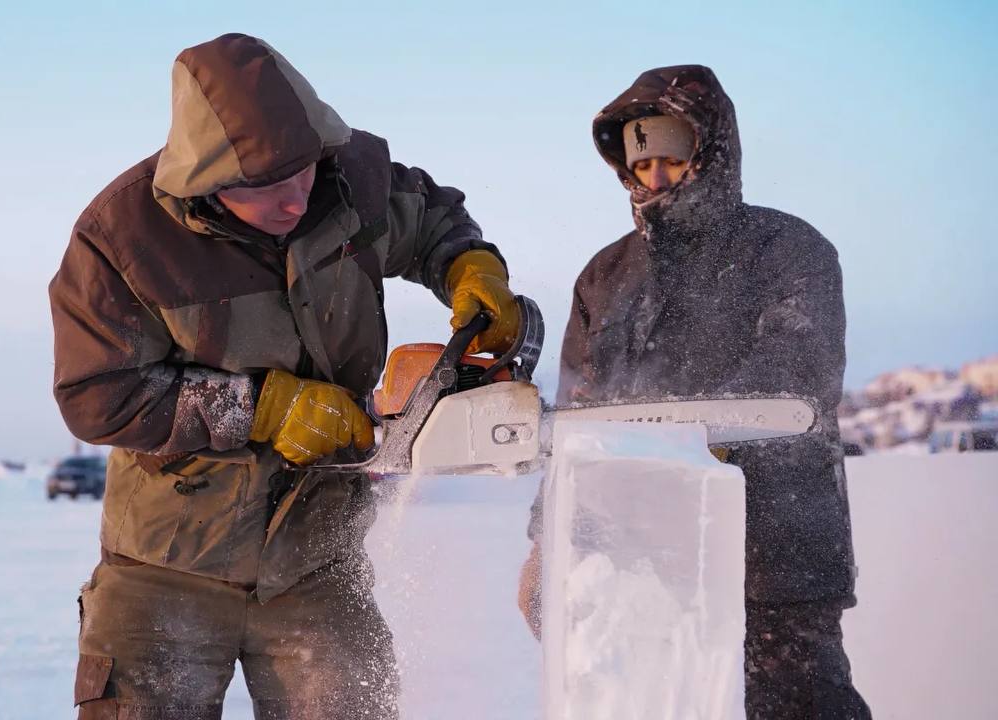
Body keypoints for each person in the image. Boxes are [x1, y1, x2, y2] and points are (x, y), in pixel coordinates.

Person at [49, 33, 521, 720]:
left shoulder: (349, 179)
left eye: (300, 172)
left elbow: (431, 220)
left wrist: (470, 266)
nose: (294, 200)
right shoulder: (122, 238)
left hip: (317, 559)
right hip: (167, 565)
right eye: (263, 189)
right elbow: (97, 395)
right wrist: (264, 410)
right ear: (205, 181)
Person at [517, 65, 871, 719]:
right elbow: (579, 412)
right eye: (639, 158)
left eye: (671, 156)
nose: (654, 176)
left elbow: (797, 374)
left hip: (779, 563)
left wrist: (699, 450)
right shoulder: (605, 274)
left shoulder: (789, 251)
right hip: (640, 565)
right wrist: (548, 538)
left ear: (709, 149)